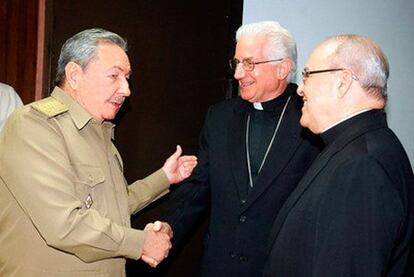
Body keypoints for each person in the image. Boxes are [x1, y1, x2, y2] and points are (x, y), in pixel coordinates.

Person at [0, 28, 197, 276]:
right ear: (74, 75)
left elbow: (113, 206)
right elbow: (64, 224)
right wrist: (142, 243)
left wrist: (164, 178)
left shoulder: (99, 131)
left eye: (127, 78)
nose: (126, 89)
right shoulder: (34, 126)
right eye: (114, 76)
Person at [157, 21, 322, 276]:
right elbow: (200, 185)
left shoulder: (313, 117)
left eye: (249, 64)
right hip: (221, 266)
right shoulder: (220, 117)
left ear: (283, 68)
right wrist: (169, 227)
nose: (238, 74)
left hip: (281, 267)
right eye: (237, 63)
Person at [263, 34, 414, 276]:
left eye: (307, 75)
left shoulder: (363, 165)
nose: (300, 89)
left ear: (342, 82)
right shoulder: (352, 147)